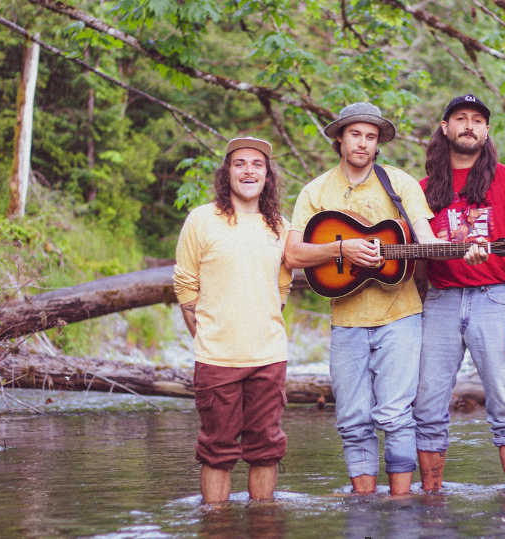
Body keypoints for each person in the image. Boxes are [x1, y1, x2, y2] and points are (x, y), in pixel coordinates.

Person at [284, 102, 485, 496]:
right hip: (346, 322)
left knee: (395, 415)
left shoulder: (400, 183)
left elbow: (426, 241)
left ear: (378, 144)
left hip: (401, 316)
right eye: (355, 134)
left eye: (371, 137)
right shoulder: (315, 191)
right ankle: (362, 503)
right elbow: (293, 255)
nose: (362, 143)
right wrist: (341, 251)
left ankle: (400, 503)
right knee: (352, 419)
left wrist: (461, 248)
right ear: (339, 138)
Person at [413, 94, 505, 493]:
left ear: (486, 131)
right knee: (427, 407)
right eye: (460, 118)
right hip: (440, 300)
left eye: (477, 120)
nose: (469, 125)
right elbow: (415, 261)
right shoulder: (421, 189)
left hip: (497, 299)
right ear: (445, 127)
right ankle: (431, 501)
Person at [174, 137, 293, 503]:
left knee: (266, 448)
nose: (248, 170)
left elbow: (283, 285)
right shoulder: (201, 220)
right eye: (240, 163)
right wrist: (207, 333)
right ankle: (216, 525)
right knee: (217, 451)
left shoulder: (281, 227)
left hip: (268, 358)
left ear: (268, 175)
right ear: (227, 172)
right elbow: (185, 283)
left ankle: (263, 523)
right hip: (215, 360)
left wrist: (262, 323)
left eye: (257, 164)